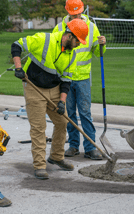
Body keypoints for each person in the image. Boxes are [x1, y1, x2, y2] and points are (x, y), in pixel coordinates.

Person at [11, 19, 89, 180]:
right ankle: (39, 166)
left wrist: (61, 101)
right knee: (39, 127)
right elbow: (16, 45)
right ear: (69, 36)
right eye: (77, 41)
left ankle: (56, 157)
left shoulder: (71, 55)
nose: (78, 45)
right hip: (33, 87)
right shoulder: (44, 39)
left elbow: (67, 80)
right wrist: (18, 67)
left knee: (62, 122)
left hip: (54, 89)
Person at [53, 0, 106, 160]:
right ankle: (74, 146)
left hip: (82, 78)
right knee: (69, 114)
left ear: (82, 11)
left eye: (78, 14)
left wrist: (102, 45)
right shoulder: (60, 28)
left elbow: (98, 53)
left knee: (85, 112)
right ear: (67, 11)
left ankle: (90, 147)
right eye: (73, 15)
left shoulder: (91, 27)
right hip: (65, 78)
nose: (76, 17)